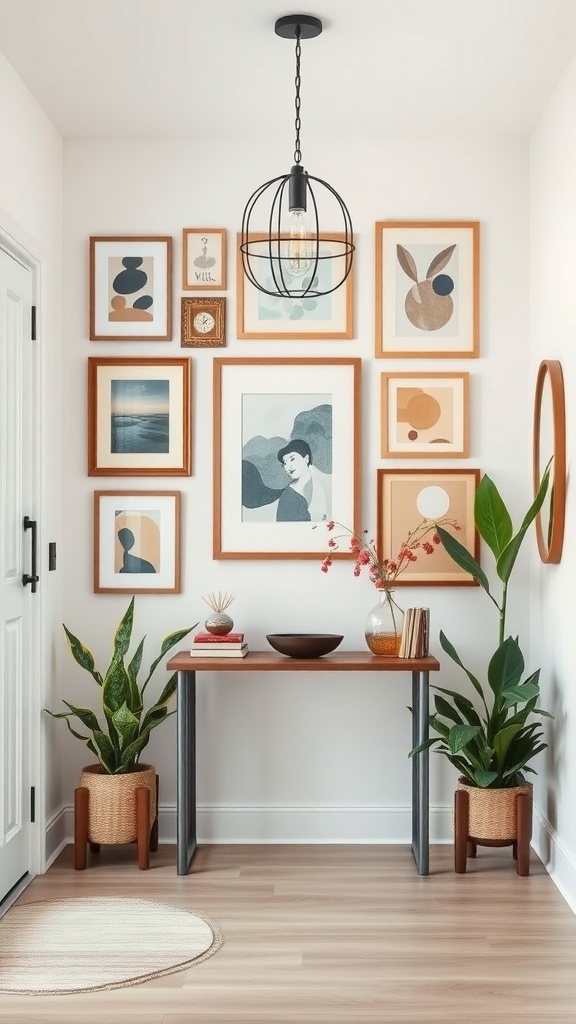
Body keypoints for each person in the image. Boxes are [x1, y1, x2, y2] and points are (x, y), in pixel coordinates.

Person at [276, 439, 331, 522]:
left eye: (292, 459)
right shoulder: (289, 496)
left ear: (306, 459)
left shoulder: (325, 481)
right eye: (285, 463)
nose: (288, 467)